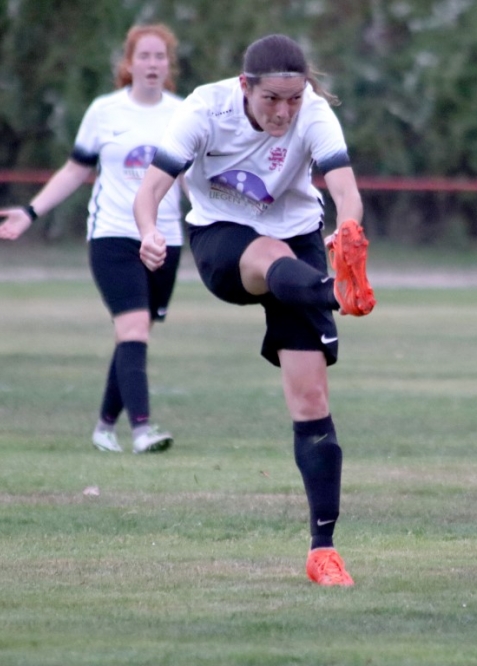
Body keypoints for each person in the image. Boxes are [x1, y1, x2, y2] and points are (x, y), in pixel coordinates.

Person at [133, 34, 376, 587]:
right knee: (271, 254)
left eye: (294, 99)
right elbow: (149, 191)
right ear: (245, 86)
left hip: (301, 241)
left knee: (311, 400)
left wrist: (348, 230)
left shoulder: (313, 113)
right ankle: (333, 293)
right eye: (272, 99)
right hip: (223, 240)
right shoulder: (204, 109)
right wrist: (148, 232)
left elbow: (346, 191)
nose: (284, 112)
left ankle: (323, 551)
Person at [0, 24, 184, 455]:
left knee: (134, 334)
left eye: (160, 56)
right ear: (128, 62)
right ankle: (142, 430)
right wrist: (30, 212)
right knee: (133, 326)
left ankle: (103, 427)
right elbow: (75, 170)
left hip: (165, 239)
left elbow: (194, 180)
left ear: (169, 64)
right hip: (113, 235)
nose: (152, 63)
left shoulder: (182, 113)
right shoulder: (104, 111)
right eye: (144, 55)